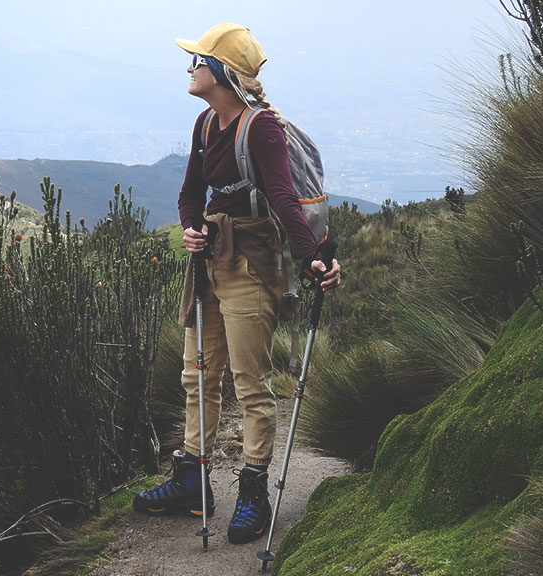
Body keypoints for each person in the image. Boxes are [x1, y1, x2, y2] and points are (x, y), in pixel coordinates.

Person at [133, 23, 341, 545]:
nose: (189, 68)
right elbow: (189, 194)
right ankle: (191, 481)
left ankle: (254, 495)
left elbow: (284, 199)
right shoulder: (205, 125)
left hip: (251, 267)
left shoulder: (262, 129)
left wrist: (313, 258)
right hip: (208, 268)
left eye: (198, 61)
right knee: (197, 376)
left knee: (251, 384)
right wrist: (191, 227)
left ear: (223, 72)